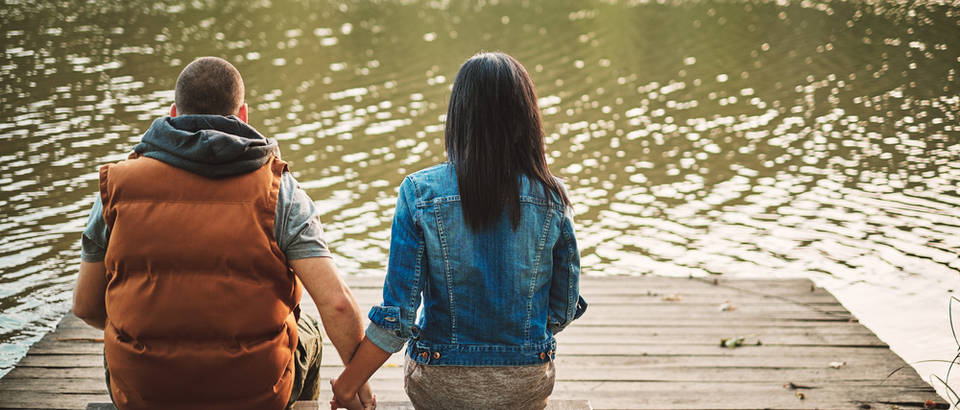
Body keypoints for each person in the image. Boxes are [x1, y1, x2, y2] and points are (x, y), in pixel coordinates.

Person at [72, 56, 375, 410]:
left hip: (142, 393)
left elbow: (86, 306)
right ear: (242, 115)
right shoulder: (280, 191)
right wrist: (357, 383)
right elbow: (337, 304)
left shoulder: (117, 186)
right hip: (256, 394)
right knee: (307, 330)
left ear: (173, 113)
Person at [329, 52, 588, 410]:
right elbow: (562, 307)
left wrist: (348, 385)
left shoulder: (419, 193)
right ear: (525, 120)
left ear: (458, 117)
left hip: (440, 382)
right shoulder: (553, 197)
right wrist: (519, 342)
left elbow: (398, 318)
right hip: (526, 380)